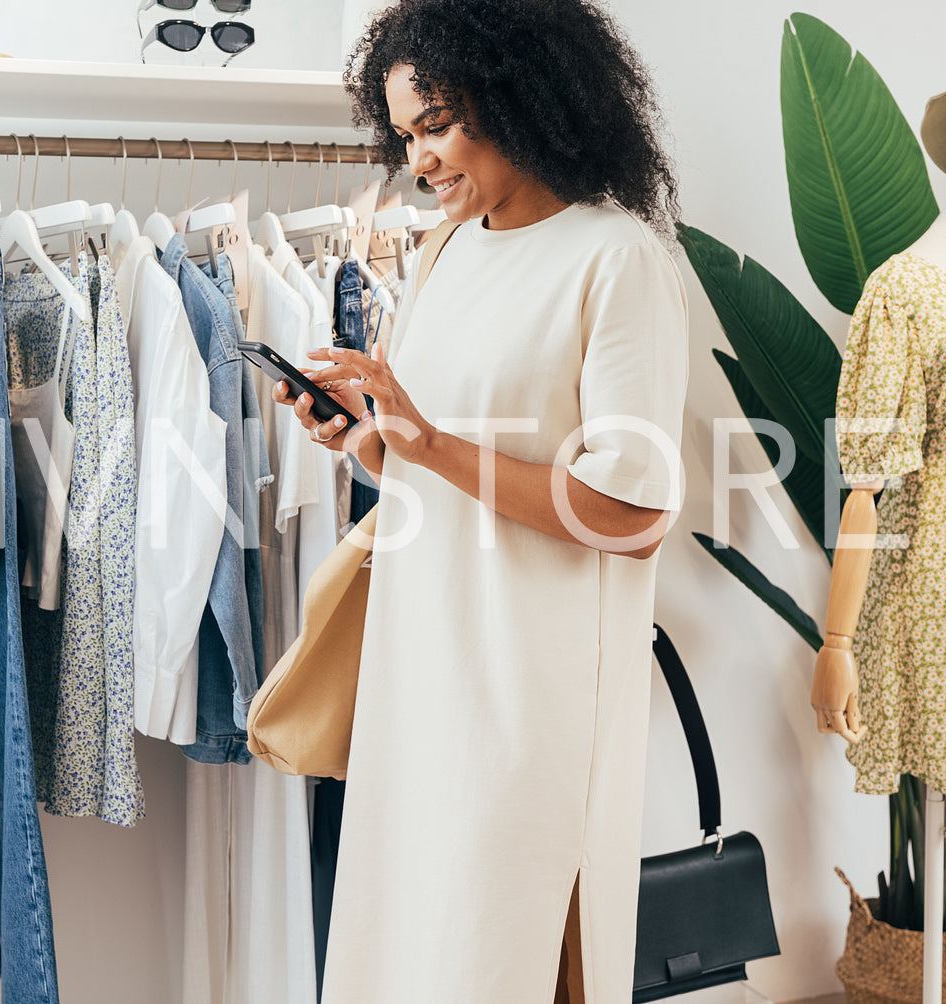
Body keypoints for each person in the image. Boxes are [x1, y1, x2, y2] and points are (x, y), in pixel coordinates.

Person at [270, 0, 690, 999]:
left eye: (438, 123)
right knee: (411, 952)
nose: (418, 159)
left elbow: (631, 516)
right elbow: (422, 463)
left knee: (501, 950)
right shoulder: (444, 251)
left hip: (528, 694)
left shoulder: (616, 259)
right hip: (422, 670)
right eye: (405, 133)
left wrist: (427, 441)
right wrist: (362, 436)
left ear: (520, 97)